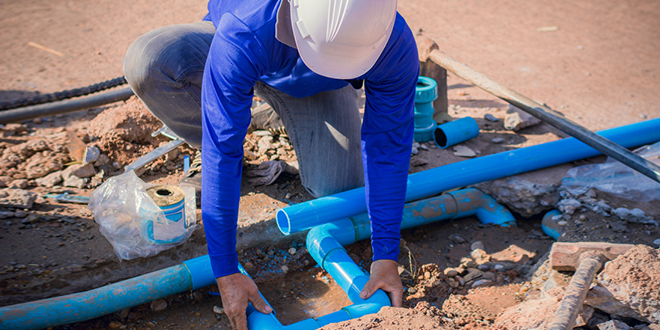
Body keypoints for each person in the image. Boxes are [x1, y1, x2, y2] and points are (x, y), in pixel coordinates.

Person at [123, 0, 419, 328]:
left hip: (317, 86)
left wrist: (386, 256)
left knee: (338, 192)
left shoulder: (391, 39)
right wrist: (225, 270)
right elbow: (222, 151)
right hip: (247, 48)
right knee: (149, 59)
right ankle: (235, 107)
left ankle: (267, 112)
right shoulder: (246, 27)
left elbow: (388, 148)